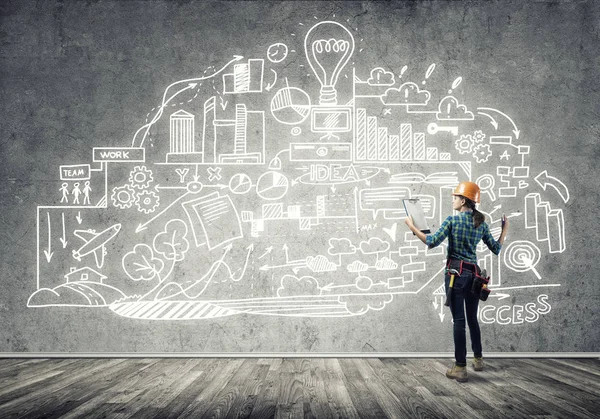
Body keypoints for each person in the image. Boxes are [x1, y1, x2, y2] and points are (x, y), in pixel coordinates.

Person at [404, 181, 508, 382]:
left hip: (456, 275)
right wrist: (504, 230)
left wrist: (411, 226)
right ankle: (478, 359)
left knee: (459, 321)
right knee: (472, 319)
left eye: (455, 197)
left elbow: (431, 242)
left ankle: (460, 367)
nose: (452, 200)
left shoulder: (452, 221)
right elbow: (496, 248)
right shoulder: (481, 224)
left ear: (463, 200)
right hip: (475, 277)